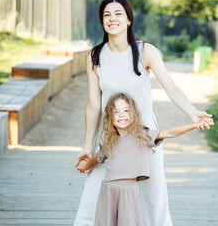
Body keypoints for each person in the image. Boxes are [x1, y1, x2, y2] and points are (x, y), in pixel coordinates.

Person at [74, 0, 214, 226]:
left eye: (118, 13)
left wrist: (193, 112)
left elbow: (171, 88)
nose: (112, 19)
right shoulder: (94, 57)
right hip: (110, 138)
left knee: (153, 200)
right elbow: (94, 105)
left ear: (128, 20)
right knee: (94, 194)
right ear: (101, 21)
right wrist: (87, 147)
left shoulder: (145, 51)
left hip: (145, 137)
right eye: (107, 15)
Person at [77, 92, 207, 226]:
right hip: (107, 189)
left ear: (133, 114)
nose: (122, 115)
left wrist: (194, 125)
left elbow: (169, 132)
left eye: (126, 110)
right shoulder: (110, 141)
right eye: (116, 112)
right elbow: (98, 157)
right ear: (110, 118)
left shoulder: (142, 135)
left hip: (128, 190)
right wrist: (85, 165)